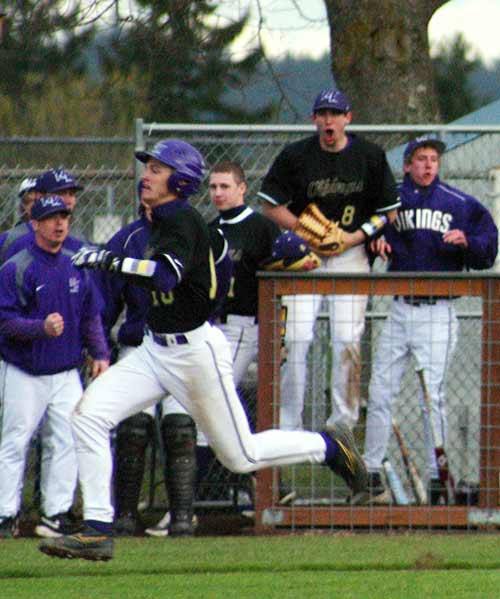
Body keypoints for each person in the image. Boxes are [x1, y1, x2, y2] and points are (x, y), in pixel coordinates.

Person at [38, 138, 368, 562]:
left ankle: (327, 447)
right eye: (148, 168)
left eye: (156, 169)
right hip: (155, 351)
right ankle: (98, 529)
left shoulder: (184, 223)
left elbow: (164, 278)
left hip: (195, 354)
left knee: (240, 455)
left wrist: (109, 261)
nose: (146, 175)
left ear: (180, 179)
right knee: (87, 416)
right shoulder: (159, 220)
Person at [363, 136, 498, 504]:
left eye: (433, 159)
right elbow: (366, 231)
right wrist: (376, 242)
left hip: (439, 311)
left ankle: (437, 475)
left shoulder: (456, 202)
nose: (427, 165)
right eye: (420, 159)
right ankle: (370, 471)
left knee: (431, 396)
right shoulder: (391, 202)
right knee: (379, 391)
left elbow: (488, 244)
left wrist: (467, 241)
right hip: (400, 309)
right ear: (407, 165)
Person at [258, 88, 400, 431]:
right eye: (322, 113)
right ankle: (288, 424)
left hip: (350, 254)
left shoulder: (369, 155)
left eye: (335, 113)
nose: (328, 120)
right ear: (314, 120)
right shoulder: (296, 156)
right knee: (295, 339)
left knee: (347, 340)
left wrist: (354, 237)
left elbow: (388, 212)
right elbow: (270, 204)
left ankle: (342, 426)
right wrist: (307, 232)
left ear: (348, 118)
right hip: (306, 255)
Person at [97, 194, 230, 538]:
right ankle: (125, 514)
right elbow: (108, 296)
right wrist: (100, 346)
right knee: (133, 428)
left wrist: (204, 318)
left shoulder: (195, 231)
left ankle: (182, 515)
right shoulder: (129, 238)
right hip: (140, 341)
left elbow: (218, 281)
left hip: (183, 343)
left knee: (180, 429)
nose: (150, 200)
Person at [0, 196, 109, 538]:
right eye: (50, 218)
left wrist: (100, 353)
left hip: (66, 371)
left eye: (64, 217)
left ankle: (55, 514)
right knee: (15, 441)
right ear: (34, 223)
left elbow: (91, 314)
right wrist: (39, 328)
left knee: (65, 440)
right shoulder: (16, 266)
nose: (59, 223)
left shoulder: (75, 263)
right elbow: (4, 321)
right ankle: (5, 514)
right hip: (24, 369)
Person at [0, 169, 85, 265]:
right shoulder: (10, 240)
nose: (69, 200)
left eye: (72, 194)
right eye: (61, 193)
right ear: (40, 196)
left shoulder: (79, 240)